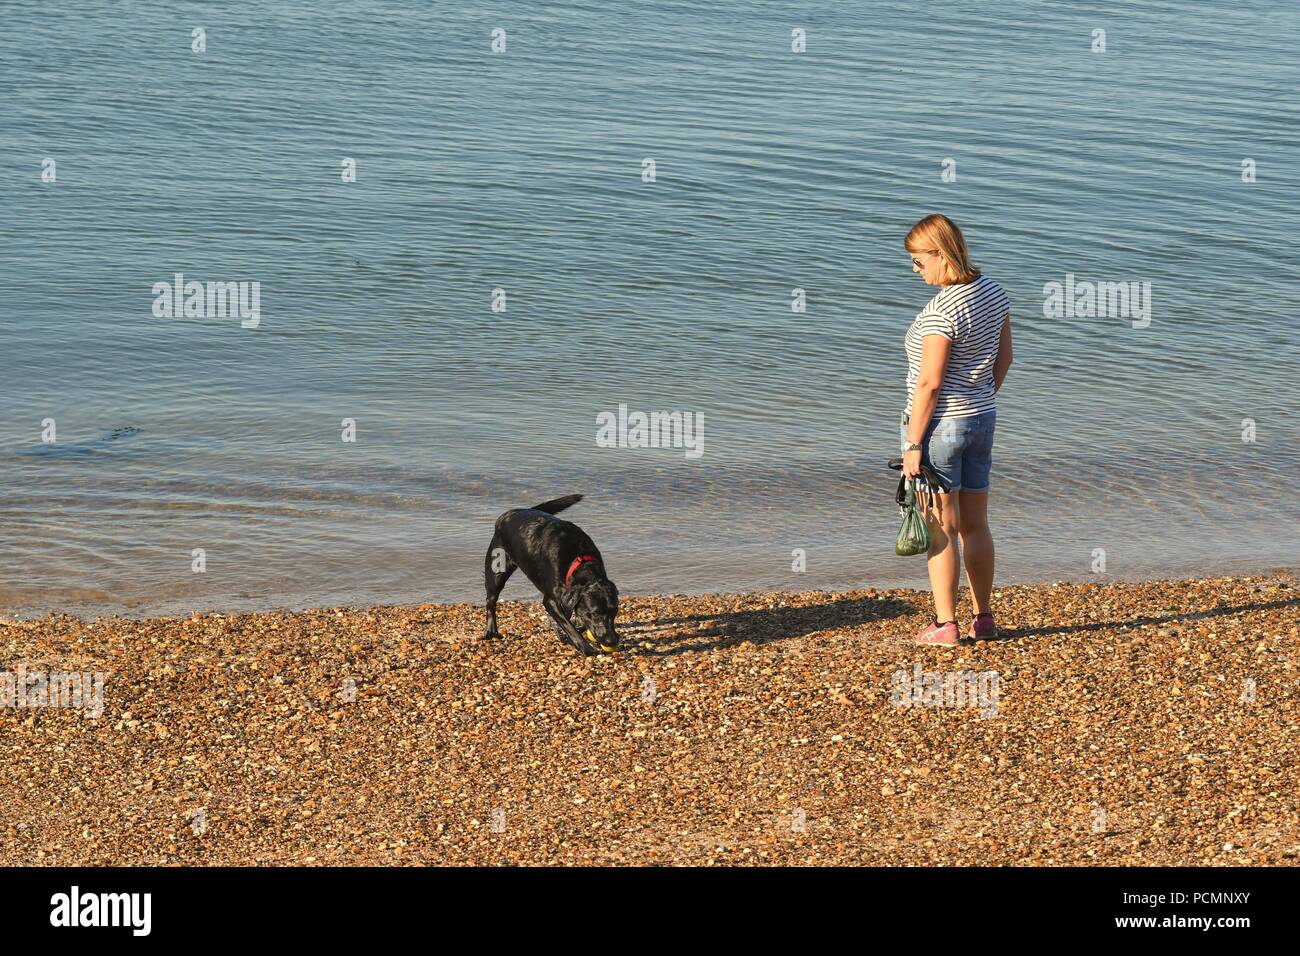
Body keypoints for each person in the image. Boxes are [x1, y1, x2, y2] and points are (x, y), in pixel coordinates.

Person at [900, 214, 1013, 646]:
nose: (916, 270)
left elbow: (929, 382)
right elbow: (1004, 361)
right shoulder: (993, 292)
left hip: (939, 428)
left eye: (919, 261)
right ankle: (983, 618)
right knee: (976, 524)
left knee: (940, 527)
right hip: (982, 420)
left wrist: (913, 444)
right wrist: (981, 399)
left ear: (942, 255)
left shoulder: (940, 314)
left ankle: (945, 624)